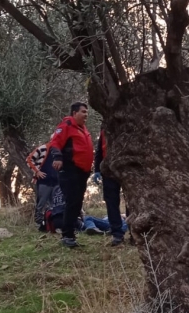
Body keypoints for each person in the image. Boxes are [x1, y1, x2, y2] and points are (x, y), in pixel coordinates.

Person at [49, 102, 94, 248]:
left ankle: (70, 234)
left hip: (82, 172)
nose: (86, 114)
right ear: (74, 113)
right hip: (70, 170)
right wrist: (58, 158)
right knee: (72, 202)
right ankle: (67, 236)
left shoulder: (83, 129)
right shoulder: (66, 126)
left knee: (77, 203)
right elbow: (54, 143)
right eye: (83, 112)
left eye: (87, 112)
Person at [93, 123, 128, 246]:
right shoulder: (104, 125)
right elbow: (99, 149)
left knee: (130, 200)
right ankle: (117, 234)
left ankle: (135, 232)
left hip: (126, 168)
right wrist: (97, 169)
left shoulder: (126, 121)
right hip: (108, 169)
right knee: (111, 201)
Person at [26, 137, 58, 229]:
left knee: (55, 203)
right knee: (41, 203)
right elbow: (29, 159)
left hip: (56, 181)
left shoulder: (60, 151)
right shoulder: (43, 148)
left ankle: (52, 223)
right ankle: (38, 222)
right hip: (44, 180)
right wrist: (37, 171)